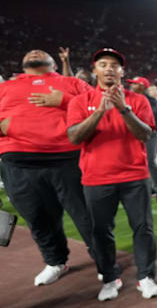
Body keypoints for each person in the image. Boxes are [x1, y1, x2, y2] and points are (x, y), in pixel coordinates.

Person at [66, 48, 157, 302]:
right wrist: (99, 111)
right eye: (103, 64)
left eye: (114, 65)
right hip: (97, 177)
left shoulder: (138, 101)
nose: (109, 68)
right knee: (101, 232)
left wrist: (123, 109)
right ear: (95, 70)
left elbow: (145, 135)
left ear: (122, 72)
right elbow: (74, 137)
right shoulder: (80, 101)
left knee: (143, 229)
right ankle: (110, 278)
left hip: (134, 176)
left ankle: (146, 277)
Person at [0, 49, 96, 286]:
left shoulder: (72, 83)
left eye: (41, 51)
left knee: (87, 217)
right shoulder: (5, 88)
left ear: (53, 63)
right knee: (37, 218)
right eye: (30, 51)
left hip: (69, 159)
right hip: (18, 163)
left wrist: (64, 100)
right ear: (22, 64)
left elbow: (99, 110)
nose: (34, 51)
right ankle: (55, 261)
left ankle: (104, 259)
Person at [128, 76, 157, 201]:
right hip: (134, 135)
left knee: (150, 162)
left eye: (134, 84)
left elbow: (146, 118)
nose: (131, 86)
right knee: (138, 163)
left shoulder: (151, 101)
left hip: (150, 135)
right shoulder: (129, 98)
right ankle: (149, 189)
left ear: (141, 86)